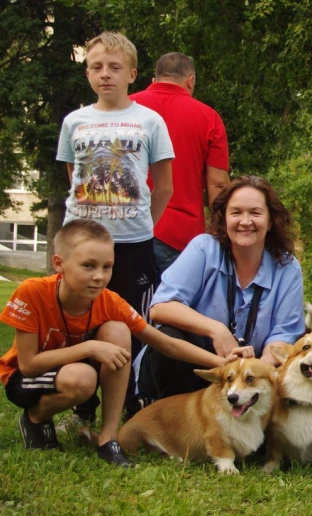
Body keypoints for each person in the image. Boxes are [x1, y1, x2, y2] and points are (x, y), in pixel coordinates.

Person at [0, 220, 225, 467]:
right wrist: (89, 348)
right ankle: (35, 416)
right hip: (24, 379)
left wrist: (222, 363)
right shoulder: (32, 291)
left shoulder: (110, 301)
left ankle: (108, 438)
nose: (99, 277)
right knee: (83, 378)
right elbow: (29, 364)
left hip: (75, 374)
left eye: (107, 267)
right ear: (58, 264)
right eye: (88, 266)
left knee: (118, 330)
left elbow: (165, 343)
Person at [56, 31, 174, 424]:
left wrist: (143, 226)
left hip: (134, 243)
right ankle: (83, 402)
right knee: (80, 320)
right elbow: (74, 177)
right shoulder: (75, 121)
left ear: (132, 74)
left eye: (114, 67)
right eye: (96, 67)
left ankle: (128, 395)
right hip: (82, 244)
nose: (105, 74)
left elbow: (165, 185)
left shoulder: (150, 121)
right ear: (87, 73)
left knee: (131, 322)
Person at [137, 176, 305, 400]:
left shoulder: (287, 267)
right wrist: (216, 330)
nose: (245, 221)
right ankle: (163, 416)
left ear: (271, 220)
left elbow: (283, 335)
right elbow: (161, 307)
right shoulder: (204, 249)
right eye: (236, 213)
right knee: (169, 333)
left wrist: (251, 371)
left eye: (255, 213)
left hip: (244, 381)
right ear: (224, 218)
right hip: (192, 371)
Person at [130, 52, 231, 275]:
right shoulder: (208, 117)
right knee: (175, 306)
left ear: (154, 81)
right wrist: (221, 234)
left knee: (122, 307)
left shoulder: (126, 108)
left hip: (127, 229)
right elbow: (218, 185)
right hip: (180, 236)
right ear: (191, 80)